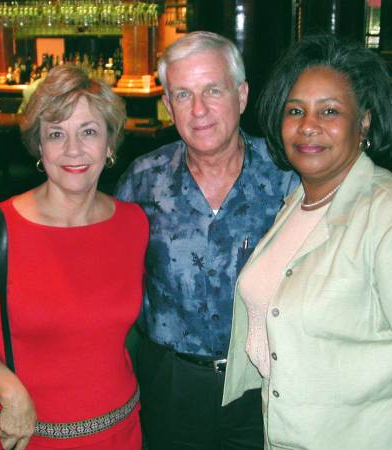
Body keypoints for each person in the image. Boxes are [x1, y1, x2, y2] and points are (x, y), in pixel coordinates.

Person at [222, 34, 392, 450]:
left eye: (329, 111)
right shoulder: (299, 199)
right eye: (294, 110)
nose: (308, 125)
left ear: (364, 121)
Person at [0, 65, 148, 450]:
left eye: (88, 132)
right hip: (24, 434)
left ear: (110, 143)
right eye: (56, 134)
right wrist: (9, 389)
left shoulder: (134, 224)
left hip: (120, 432)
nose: (73, 150)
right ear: (39, 146)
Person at [115, 31, 298, 449]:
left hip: (266, 380)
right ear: (167, 105)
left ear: (242, 94)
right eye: (182, 95)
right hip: (171, 381)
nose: (199, 110)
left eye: (213, 90)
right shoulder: (142, 181)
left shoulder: (286, 177)